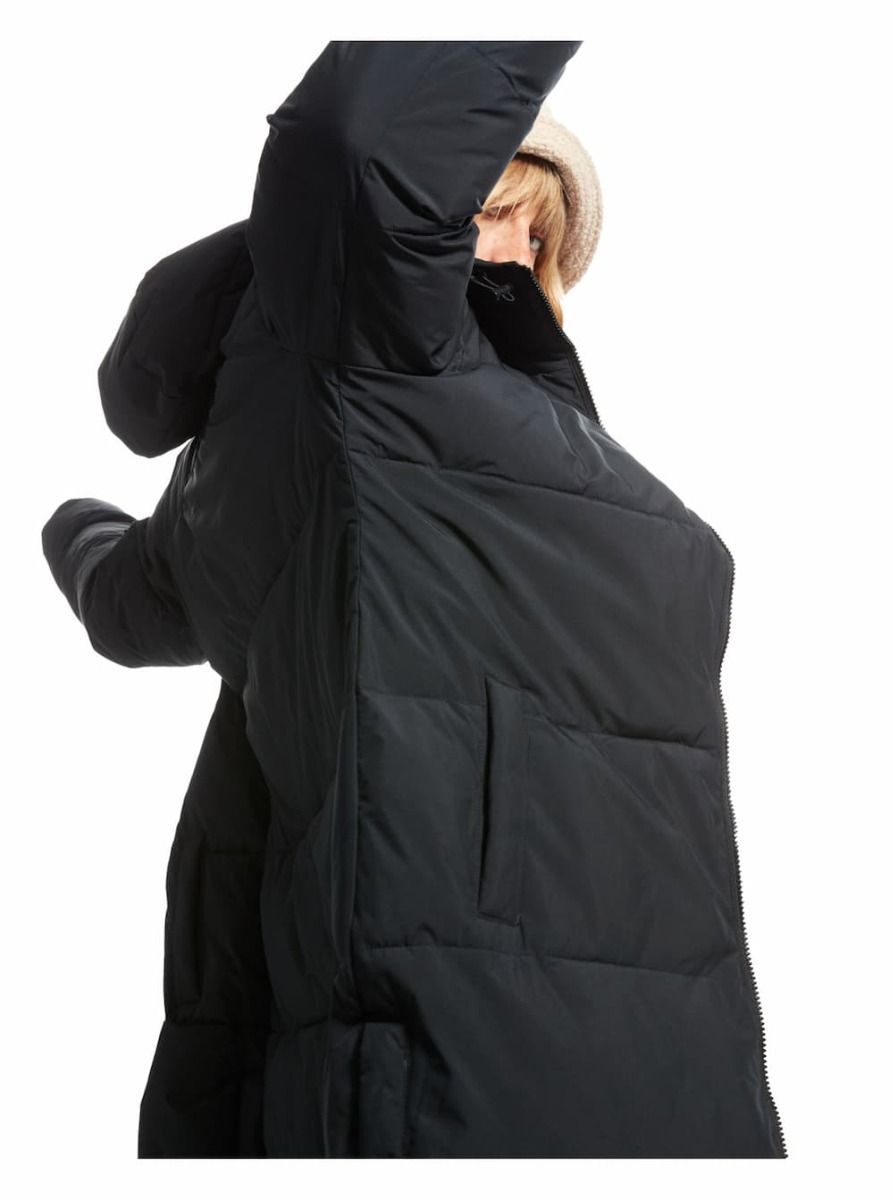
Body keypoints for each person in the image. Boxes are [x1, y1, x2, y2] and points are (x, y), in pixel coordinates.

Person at [41, 41, 785, 1158]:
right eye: (494, 210)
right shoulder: (382, 358)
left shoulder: (489, 428)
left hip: (666, 1087)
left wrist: (79, 528)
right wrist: (80, 529)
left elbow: (128, 595)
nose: (519, 257)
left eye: (542, 242)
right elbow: (360, 147)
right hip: (470, 1085)